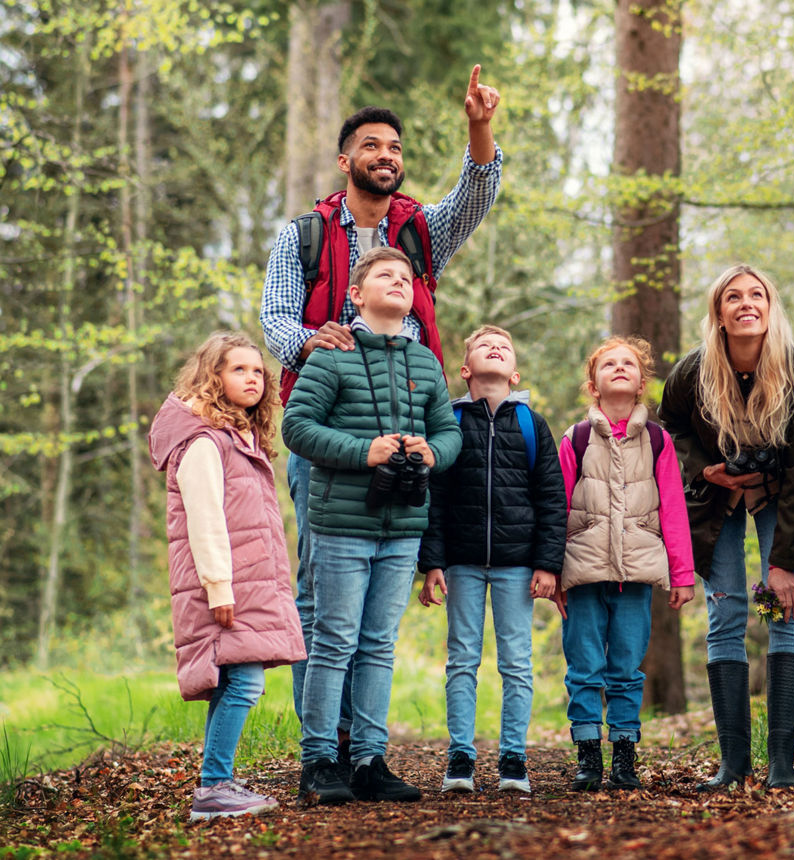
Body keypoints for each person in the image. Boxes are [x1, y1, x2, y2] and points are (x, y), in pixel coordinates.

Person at [259, 66, 502, 750]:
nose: (385, 156)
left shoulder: (419, 234)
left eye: (394, 147)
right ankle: (324, 744)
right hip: (327, 433)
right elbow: (275, 317)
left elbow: (475, 198)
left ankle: (364, 749)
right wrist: (314, 343)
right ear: (346, 161)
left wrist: (479, 127)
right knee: (318, 592)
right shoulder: (303, 235)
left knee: (379, 609)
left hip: (402, 432)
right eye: (371, 146)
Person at [282, 247, 462, 804]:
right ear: (356, 295)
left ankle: (368, 760)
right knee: (335, 641)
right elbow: (297, 427)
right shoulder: (331, 357)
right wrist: (365, 451)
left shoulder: (426, 362)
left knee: (379, 644)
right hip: (341, 521)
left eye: (406, 278)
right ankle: (318, 762)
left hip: (404, 523)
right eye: (385, 275)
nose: (399, 282)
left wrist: (433, 452)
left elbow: (449, 432)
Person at [659, 264, 794, 791]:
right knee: (728, 612)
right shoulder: (692, 372)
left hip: (784, 496)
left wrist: (782, 564)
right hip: (718, 497)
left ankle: (782, 761)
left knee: (783, 609)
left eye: (757, 294)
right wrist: (704, 469)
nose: (746, 303)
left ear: (770, 306)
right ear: (719, 312)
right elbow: (670, 430)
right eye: (733, 297)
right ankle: (733, 763)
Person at [147, 332, 306, 821]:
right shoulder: (202, 441)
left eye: (258, 371)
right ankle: (213, 787)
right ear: (212, 376)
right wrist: (219, 588)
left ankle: (216, 782)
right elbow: (204, 519)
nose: (253, 378)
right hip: (226, 586)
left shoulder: (237, 438)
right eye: (239, 370)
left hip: (246, 582)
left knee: (234, 681)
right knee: (244, 684)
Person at [416, 325, 567, 794]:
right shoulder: (450, 422)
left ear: (515, 372)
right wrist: (432, 562)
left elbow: (551, 496)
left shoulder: (531, 424)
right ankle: (460, 757)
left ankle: (513, 759)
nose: (495, 348)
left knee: (516, 662)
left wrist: (548, 563)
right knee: (461, 658)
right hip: (460, 561)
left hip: (518, 564)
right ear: (466, 370)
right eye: (484, 345)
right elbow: (434, 494)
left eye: (504, 345)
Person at [559, 336, 695, 792]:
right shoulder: (575, 439)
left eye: (629, 365)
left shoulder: (657, 442)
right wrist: (551, 570)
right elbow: (556, 507)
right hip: (582, 570)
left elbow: (673, 509)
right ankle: (587, 757)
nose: (620, 368)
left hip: (635, 574)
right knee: (583, 665)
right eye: (608, 364)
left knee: (626, 666)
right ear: (593, 386)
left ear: (640, 385)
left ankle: (623, 756)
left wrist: (681, 573)